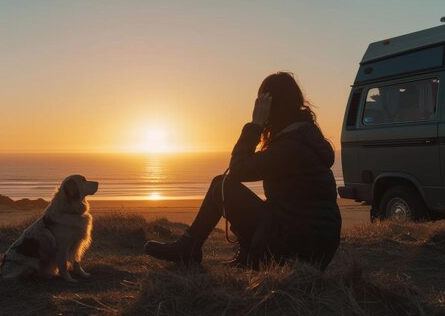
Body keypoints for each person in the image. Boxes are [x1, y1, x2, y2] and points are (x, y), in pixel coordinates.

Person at [144, 72, 341, 271]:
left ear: (270, 105)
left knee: (222, 186)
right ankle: (230, 252)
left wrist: (255, 126)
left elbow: (238, 170)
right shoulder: (303, 136)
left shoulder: (290, 147)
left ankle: (190, 247)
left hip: (299, 247)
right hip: (315, 245)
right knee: (232, 190)